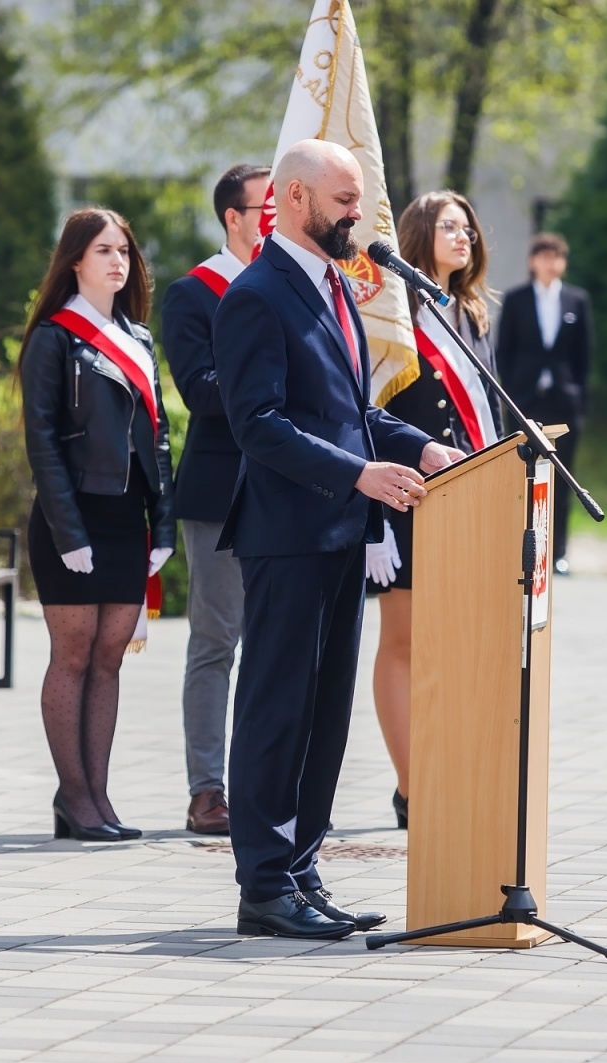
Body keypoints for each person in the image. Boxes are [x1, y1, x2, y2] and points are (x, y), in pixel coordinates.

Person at [213, 139, 465, 940]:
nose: (359, 214)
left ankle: (302, 870)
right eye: (344, 200)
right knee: (275, 711)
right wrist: (359, 474)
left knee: (324, 716)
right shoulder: (258, 293)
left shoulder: (333, 287)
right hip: (288, 534)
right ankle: (262, 883)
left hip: (338, 532)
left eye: (358, 200)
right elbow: (260, 427)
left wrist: (415, 445)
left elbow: (349, 412)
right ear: (290, 197)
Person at [21, 207, 176, 843]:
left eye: (125, 251)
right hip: (73, 518)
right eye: (104, 250)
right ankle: (74, 798)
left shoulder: (137, 338)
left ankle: (99, 797)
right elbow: (44, 444)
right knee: (75, 654)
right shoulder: (54, 339)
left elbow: (158, 440)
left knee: (110, 660)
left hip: (126, 519)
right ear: (76, 260)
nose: (119, 261)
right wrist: (69, 532)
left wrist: (162, 524)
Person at [367, 190, 501, 831]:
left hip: (472, 493)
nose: (464, 238)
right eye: (450, 227)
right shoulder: (395, 312)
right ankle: (409, 786)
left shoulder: (470, 311)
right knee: (404, 640)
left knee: (452, 642)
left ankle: (447, 769)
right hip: (409, 493)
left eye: (469, 229)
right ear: (420, 233)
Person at [161, 162, 270, 836]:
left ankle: (265, 781)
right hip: (222, 492)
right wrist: (267, 380)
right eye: (266, 208)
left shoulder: (296, 284)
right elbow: (200, 392)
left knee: (275, 644)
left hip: (289, 490)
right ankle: (208, 789)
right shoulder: (193, 293)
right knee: (215, 642)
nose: (277, 220)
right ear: (233, 217)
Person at [495, 232, 594, 574]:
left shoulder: (576, 300)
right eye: (544, 256)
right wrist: (510, 393)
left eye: (557, 257)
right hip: (524, 401)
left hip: (562, 402)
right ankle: (518, 550)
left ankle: (558, 553)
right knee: (522, 477)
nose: (551, 263)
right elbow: (503, 351)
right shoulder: (517, 299)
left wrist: (579, 398)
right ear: (532, 261)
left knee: (563, 479)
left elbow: (584, 357)